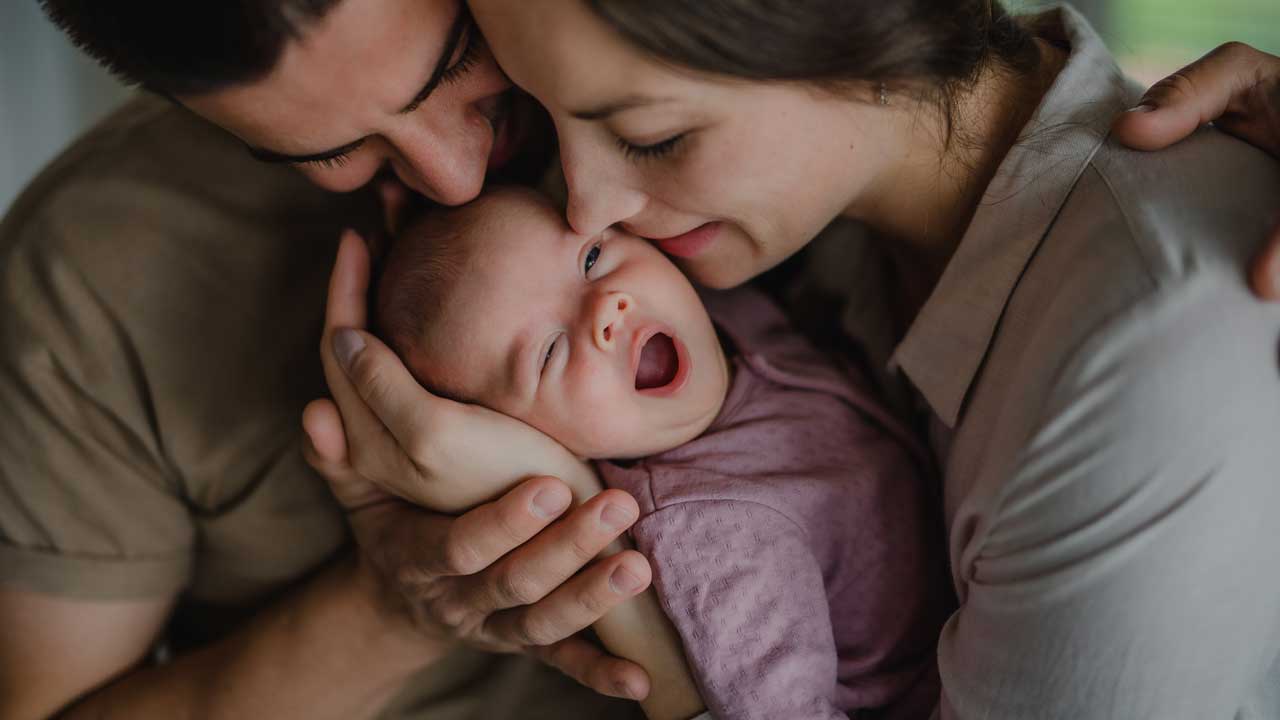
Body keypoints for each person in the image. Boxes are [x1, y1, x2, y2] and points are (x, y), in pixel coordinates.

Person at [2, 0, 1279, 716]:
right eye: (327, 152)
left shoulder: (769, 174)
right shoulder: (90, 275)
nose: (462, 175)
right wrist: (396, 605)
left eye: (459, 63)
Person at [374, 186, 949, 719]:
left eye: (593, 258)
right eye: (549, 353)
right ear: (531, 441)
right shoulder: (711, 534)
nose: (606, 309)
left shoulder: (722, 311)